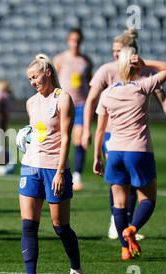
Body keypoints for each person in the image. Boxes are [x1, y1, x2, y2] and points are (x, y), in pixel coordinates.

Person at [82, 28, 166, 240]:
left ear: (130, 53)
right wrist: (86, 128)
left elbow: (164, 101)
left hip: (114, 143)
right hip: (128, 143)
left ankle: (125, 230)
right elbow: (89, 101)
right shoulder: (119, 75)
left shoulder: (126, 84)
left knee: (122, 184)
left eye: (118, 50)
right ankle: (123, 225)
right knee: (131, 188)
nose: (115, 54)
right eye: (113, 50)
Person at [93, 48, 166, 260]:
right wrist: (146, 62)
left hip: (114, 151)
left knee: (118, 203)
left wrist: (96, 157)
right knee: (147, 199)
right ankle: (133, 228)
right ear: (135, 65)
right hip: (139, 150)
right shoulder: (142, 86)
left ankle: (124, 249)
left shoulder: (107, 93)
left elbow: (100, 130)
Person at [12, 54, 83, 274]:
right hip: (30, 166)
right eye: (29, 79)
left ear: (48, 73)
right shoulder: (30, 102)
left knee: (60, 226)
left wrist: (61, 171)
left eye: (35, 76)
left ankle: (76, 270)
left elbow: (65, 139)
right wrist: (25, 137)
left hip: (54, 168)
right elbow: (37, 132)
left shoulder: (63, 98)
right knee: (28, 225)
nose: (32, 81)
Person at [53, 28, 93, 191]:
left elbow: (90, 82)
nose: (75, 43)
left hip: (81, 104)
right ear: (68, 41)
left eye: (78, 40)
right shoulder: (60, 59)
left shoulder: (86, 61)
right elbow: (54, 80)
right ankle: (58, 168)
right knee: (60, 138)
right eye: (72, 40)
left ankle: (77, 176)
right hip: (64, 103)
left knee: (79, 138)